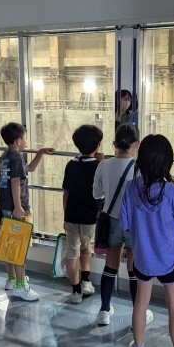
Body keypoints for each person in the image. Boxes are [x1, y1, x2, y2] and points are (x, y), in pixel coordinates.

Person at [120, 134, 174, 347]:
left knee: (141, 302)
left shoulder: (130, 188)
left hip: (143, 258)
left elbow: (125, 224)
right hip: (170, 259)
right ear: (167, 162)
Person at [93, 123, 153, 326]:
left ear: (114, 144)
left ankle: (104, 311)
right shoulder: (140, 168)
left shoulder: (104, 164)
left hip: (112, 220)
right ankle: (139, 312)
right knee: (134, 267)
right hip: (134, 223)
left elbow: (96, 194)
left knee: (110, 265)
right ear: (137, 144)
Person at [0, 122, 54, 300]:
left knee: (9, 244)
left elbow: (29, 169)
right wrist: (18, 206)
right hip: (16, 207)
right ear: (19, 140)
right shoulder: (16, 157)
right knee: (19, 247)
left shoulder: (6, 156)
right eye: (26, 137)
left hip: (4, 206)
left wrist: (40, 153)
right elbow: (15, 182)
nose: (27, 141)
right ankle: (21, 287)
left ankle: (12, 279)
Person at [62, 124, 104, 303]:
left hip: (71, 214)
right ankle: (86, 281)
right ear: (97, 146)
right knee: (86, 248)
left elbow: (66, 193)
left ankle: (75, 291)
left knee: (71, 252)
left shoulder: (71, 165)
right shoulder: (98, 166)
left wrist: (65, 215)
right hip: (90, 216)